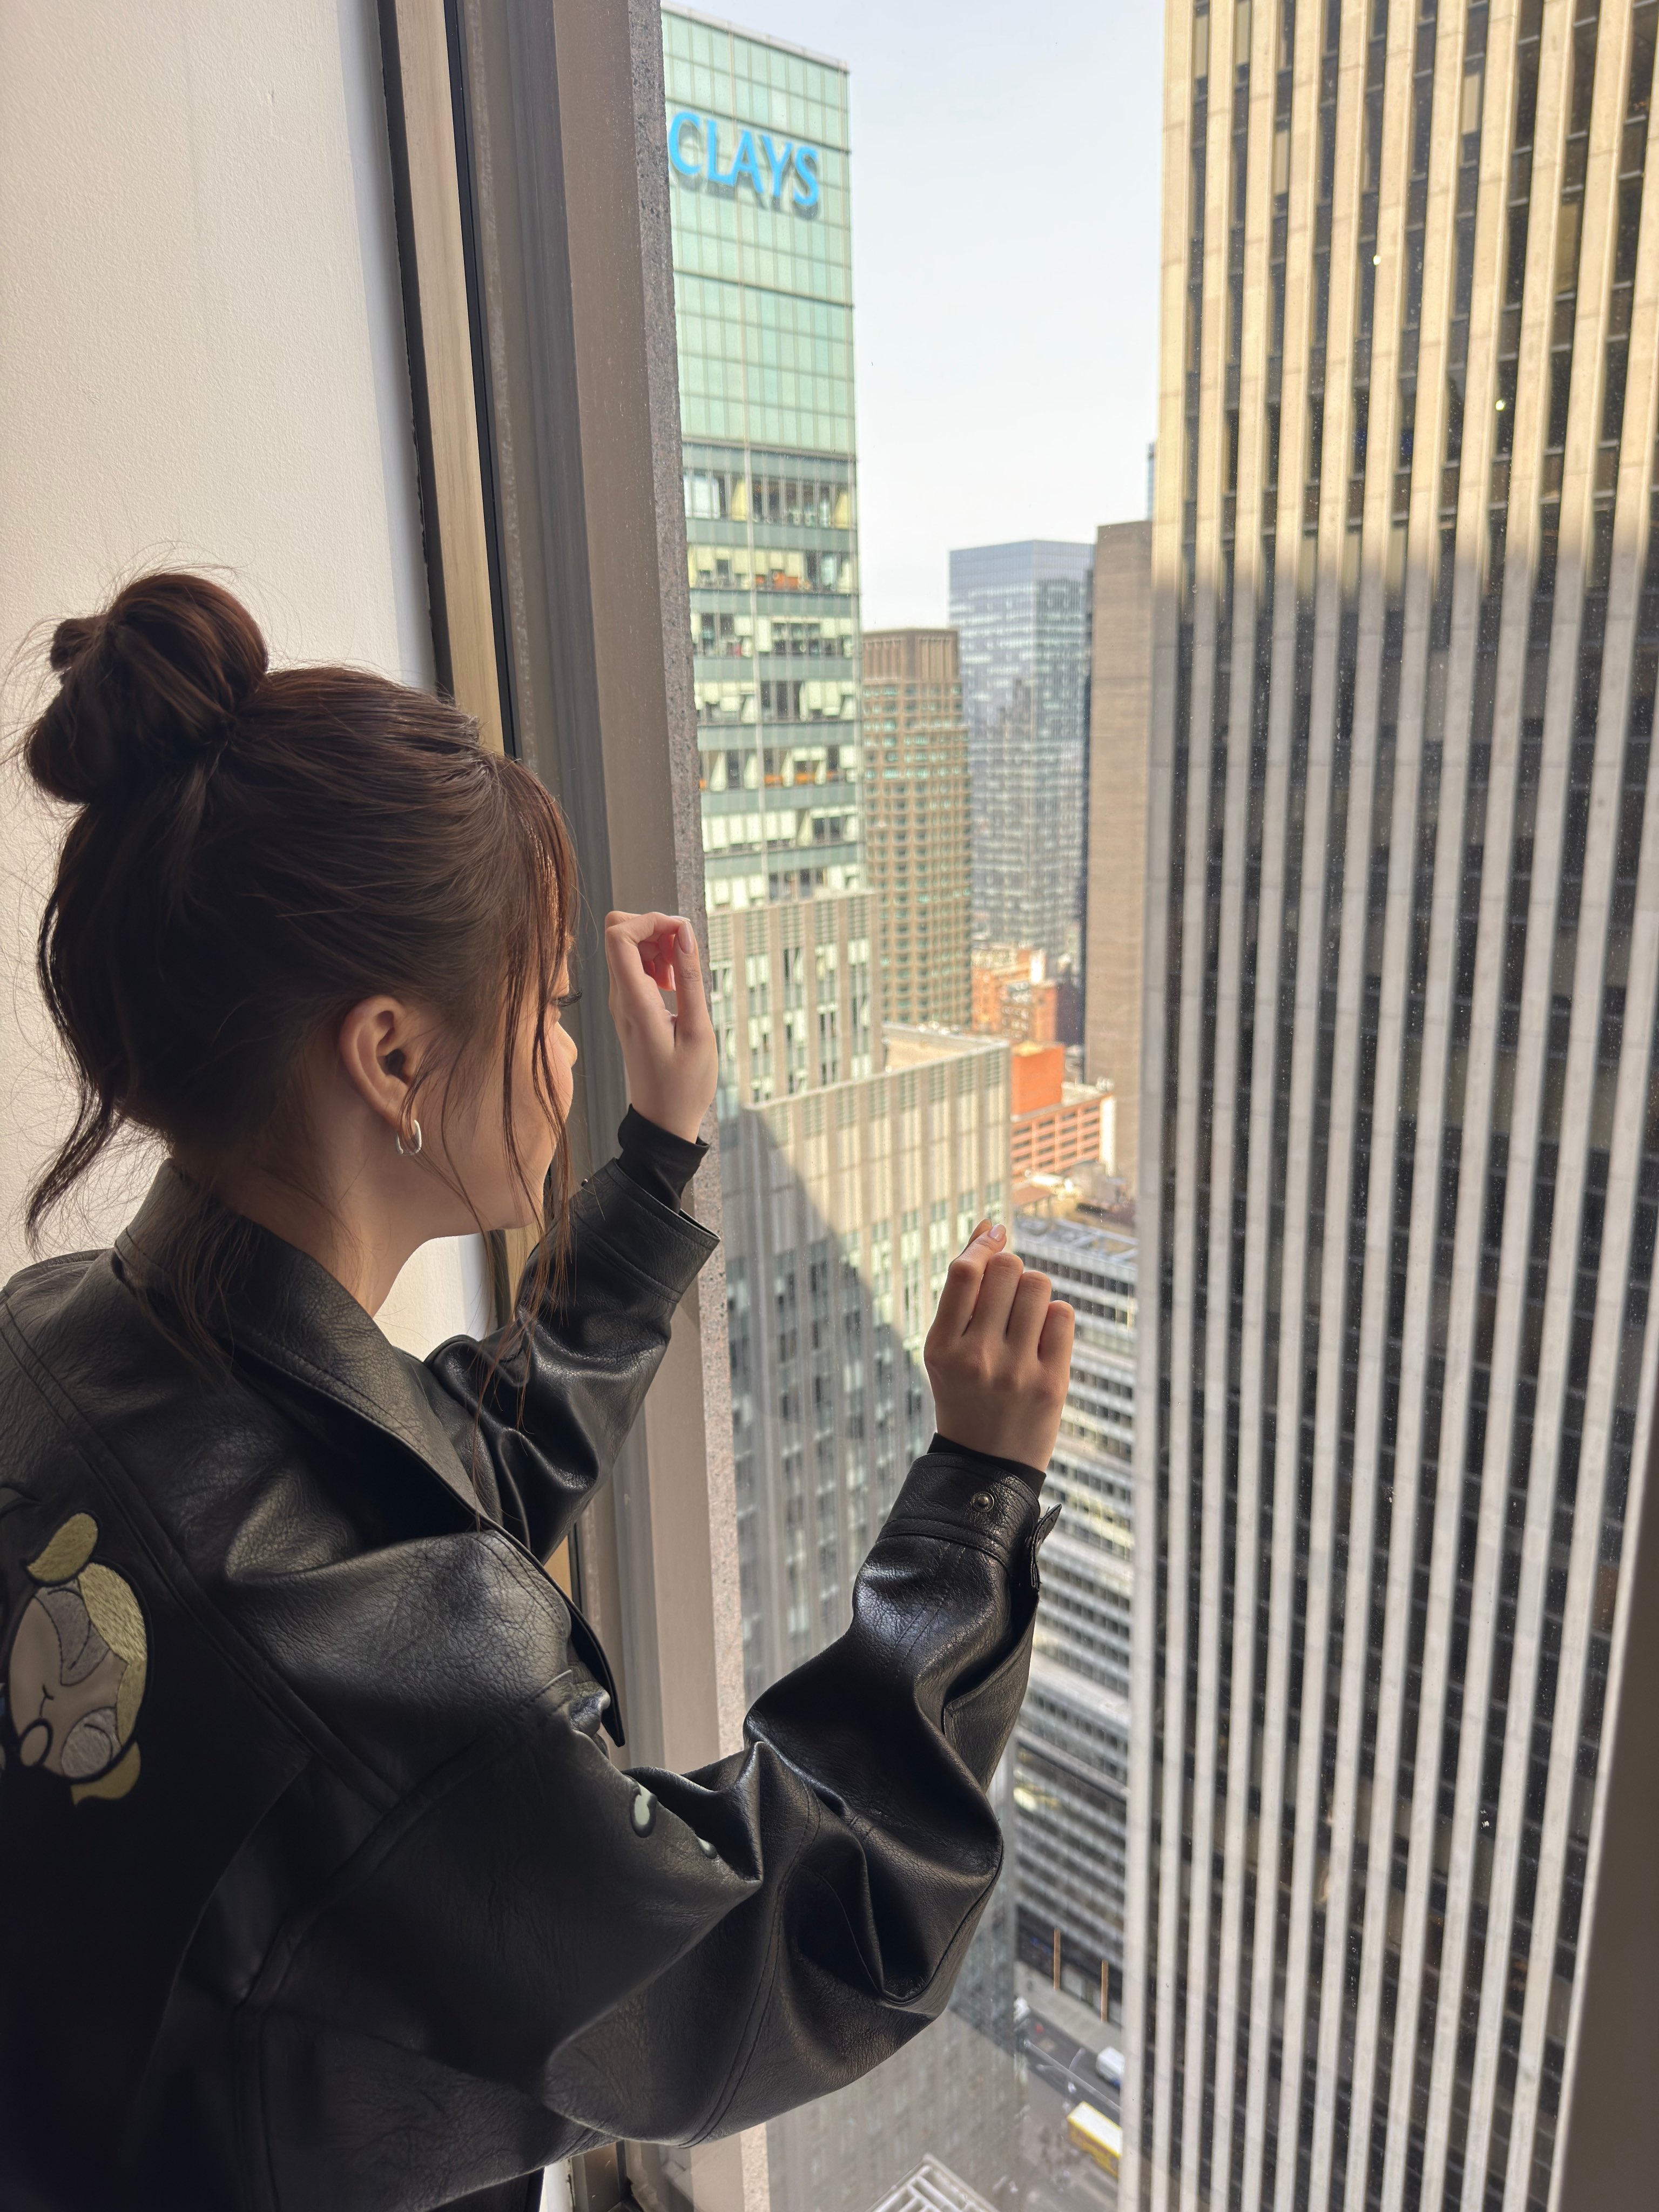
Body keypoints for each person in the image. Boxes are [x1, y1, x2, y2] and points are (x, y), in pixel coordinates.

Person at [0, 572, 1075, 2212]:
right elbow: (787, 1943)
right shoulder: (373, 1683)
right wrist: (974, 1508)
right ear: (390, 1057)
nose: (572, 1048)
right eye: (549, 999)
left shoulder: (64, 1338)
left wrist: (657, 1158)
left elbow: (419, 1495)